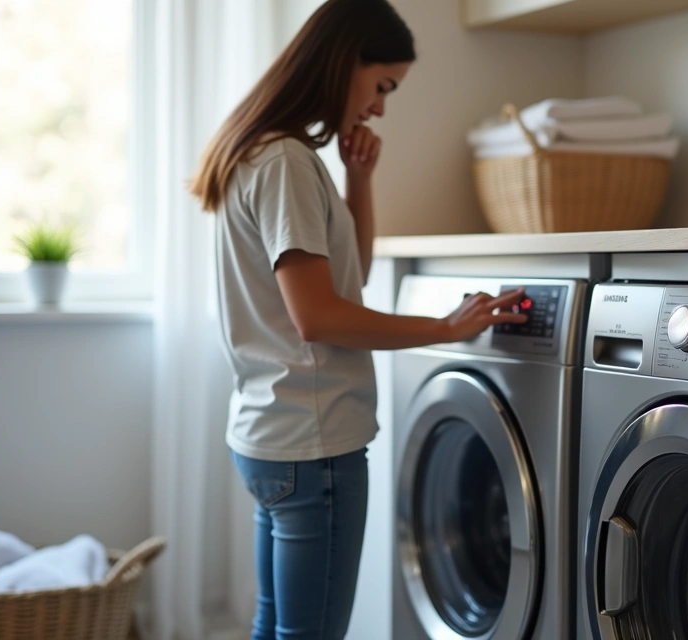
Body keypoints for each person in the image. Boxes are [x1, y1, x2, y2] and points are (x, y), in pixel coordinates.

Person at [188, 1, 527, 638]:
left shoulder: (263, 152)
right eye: (382, 86)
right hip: (313, 443)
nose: (379, 107)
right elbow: (318, 316)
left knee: (276, 625)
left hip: (269, 436)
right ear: (346, 63)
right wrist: (444, 329)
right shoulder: (286, 162)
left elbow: (349, 277)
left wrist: (359, 180)